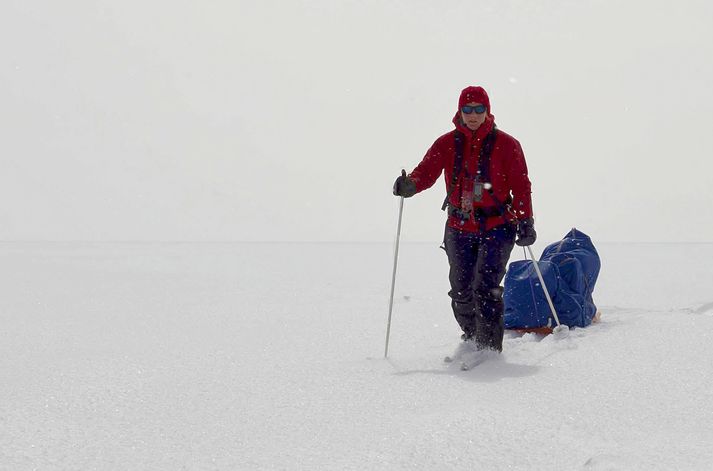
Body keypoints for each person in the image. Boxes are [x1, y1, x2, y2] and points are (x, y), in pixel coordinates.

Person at [392, 86, 536, 354]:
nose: (473, 115)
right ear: (459, 111)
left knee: (486, 288)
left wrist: (526, 220)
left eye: (478, 109)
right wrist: (410, 184)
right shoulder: (446, 143)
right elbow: (426, 172)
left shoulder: (507, 144)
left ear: (487, 111)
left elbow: (521, 186)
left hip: (497, 226)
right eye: (467, 109)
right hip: (459, 227)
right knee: (461, 291)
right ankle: (472, 338)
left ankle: (489, 351)